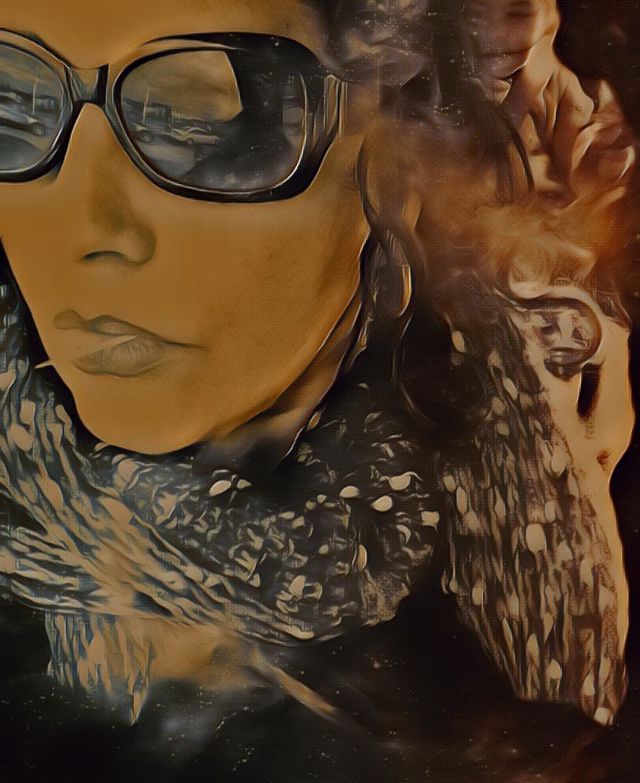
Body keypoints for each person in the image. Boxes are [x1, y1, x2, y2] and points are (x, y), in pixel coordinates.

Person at [0, 0, 634, 726]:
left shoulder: (524, 542)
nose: (86, 225)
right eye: (15, 103)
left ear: (403, 161)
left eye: (204, 124)